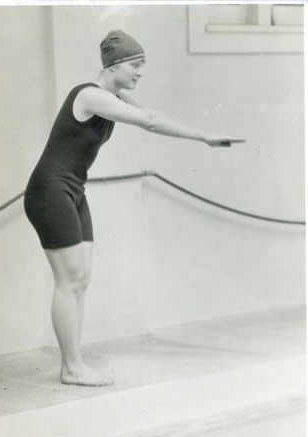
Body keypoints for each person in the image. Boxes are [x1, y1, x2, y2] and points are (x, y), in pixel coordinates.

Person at [24, 30, 245, 387]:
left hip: (72, 191)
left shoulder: (114, 96)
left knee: (81, 279)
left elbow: (153, 116)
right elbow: (150, 121)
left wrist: (202, 134)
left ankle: (74, 362)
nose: (141, 72)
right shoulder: (91, 96)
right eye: (136, 65)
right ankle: (72, 367)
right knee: (69, 280)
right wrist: (203, 137)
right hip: (49, 191)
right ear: (113, 65)